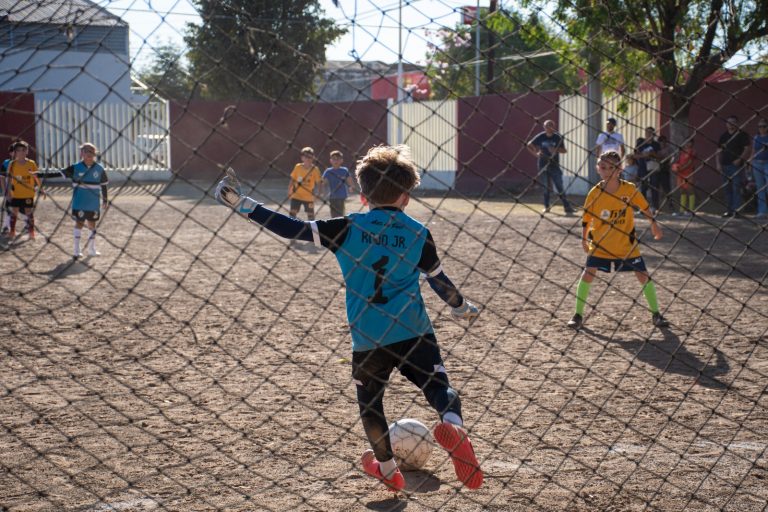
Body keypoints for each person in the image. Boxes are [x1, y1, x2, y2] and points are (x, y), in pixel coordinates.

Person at [214, 145, 484, 491]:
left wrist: (242, 204)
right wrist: (461, 307)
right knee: (438, 385)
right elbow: (438, 281)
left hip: (368, 335)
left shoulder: (346, 227)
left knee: (371, 402)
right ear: (406, 196)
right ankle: (453, 425)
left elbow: (291, 227)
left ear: (362, 192)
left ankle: (386, 468)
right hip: (413, 329)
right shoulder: (418, 231)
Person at [567, 151, 669, 330]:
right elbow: (587, 219)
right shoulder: (594, 193)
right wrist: (584, 240)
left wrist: (654, 224)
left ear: (620, 169)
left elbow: (644, 206)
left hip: (626, 246)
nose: (607, 171)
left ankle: (656, 314)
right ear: (598, 168)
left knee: (642, 275)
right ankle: (578, 315)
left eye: (611, 167)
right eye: (603, 167)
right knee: (588, 273)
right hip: (601, 245)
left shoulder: (629, 189)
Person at [36, 143, 109, 258]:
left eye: (91, 151)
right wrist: (39, 174)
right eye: (86, 151)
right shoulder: (75, 167)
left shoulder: (99, 169)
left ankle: (91, 249)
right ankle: (76, 250)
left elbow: (104, 185)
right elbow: (57, 174)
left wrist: (105, 199)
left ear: (95, 154)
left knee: (92, 225)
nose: (89, 154)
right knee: (79, 224)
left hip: (93, 203)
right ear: (82, 153)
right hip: (79, 202)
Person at [527, 120, 574, 214]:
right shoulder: (541, 136)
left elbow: (564, 150)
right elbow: (529, 144)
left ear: (553, 126)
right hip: (543, 164)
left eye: (550, 126)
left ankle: (567, 207)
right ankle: (546, 206)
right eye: (546, 126)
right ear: (544, 127)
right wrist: (536, 153)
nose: (548, 127)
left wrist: (555, 149)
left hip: (554, 165)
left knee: (559, 185)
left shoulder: (557, 137)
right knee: (545, 186)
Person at [5, 140, 41, 239]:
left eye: (23, 150)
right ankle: (12, 231)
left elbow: (36, 177)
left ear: (27, 151)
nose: (21, 152)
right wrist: (8, 192)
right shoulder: (12, 164)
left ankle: (31, 232)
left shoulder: (31, 163)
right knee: (14, 211)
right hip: (16, 194)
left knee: (28, 211)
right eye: (18, 150)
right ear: (15, 152)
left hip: (28, 193)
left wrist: (40, 188)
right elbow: (9, 179)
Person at [717, 115, 751, 217]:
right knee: (727, 189)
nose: (731, 124)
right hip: (724, 166)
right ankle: (729, 210)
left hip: (736, 166)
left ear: (737, 123)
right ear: (726, 124)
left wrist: (740, 159)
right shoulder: (723, 136)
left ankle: (737, 211)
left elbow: (747, 149)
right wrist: (718, 164)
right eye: (729, 122)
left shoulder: (742, 135)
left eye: (733, 122)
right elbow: (718, 151)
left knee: (736, 188)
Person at [288, 147, 322, 221]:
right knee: (292, 213)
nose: (308, 159)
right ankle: (291, 228)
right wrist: (289, 190)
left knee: (311, 216)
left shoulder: (315, 169)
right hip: (296, 195)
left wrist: (319, 193)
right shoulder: (298, 167)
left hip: (309, 196)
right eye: (306, 156)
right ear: (302, 158)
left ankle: (311, 230)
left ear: (313, 158)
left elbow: (319, 182)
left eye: (310, 157)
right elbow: (292, 179)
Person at [634, 127, 661, 213]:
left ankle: (655, 207)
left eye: (651, 133)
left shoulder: (656, 144)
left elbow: (659, 156)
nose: (649, 134)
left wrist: (653, 154)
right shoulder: (641, 143)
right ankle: (643, 207)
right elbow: (635, 155)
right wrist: (645, 155)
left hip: (653, 167)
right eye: (647, 132)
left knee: (654, 186)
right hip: (642, 167)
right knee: (643, 187)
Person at [322, 150, 355, 218]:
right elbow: (323, 183)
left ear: (341, 160)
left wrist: (351, 187)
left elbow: (350, 180)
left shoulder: (344, 170)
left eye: (338, 159)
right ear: (330, 160)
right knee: (333, 214)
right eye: (334, 159)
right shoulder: (328, 171)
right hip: (332, 196)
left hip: (341, 195)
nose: (336, 161)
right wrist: (323, 192)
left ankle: (341, 225)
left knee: (340, 213)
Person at [671, 139, 697, 216]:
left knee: (690, 190)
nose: (687, 143)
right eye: (686, 141)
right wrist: (675, 167)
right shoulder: (682, 152)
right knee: (682, 190)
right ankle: (682, 210)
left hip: (688, 173)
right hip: (680, 174)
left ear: (692, 143)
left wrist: (682, 168)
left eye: (689, 142)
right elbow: (678, 161)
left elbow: (690, 162)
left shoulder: (692, 151)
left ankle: (691, 210)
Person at [750, 119, 768, 219]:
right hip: (757, 163)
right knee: (760, 188)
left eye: (764, 126)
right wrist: (750, 162)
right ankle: (762, 211)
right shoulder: (756, 137)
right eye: (760, 126)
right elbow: (753, 150)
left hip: (767, 163)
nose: (761, 128)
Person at [655, 135, 674, 211]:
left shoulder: (669, 148)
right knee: (656, 188)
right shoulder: (656, 148)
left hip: (665, 169)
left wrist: (669, 162)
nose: (662, 143)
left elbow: (672, 157)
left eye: (664, 141)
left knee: (667, 189)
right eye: (660, 141)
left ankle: (670, 205)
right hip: (656, 169)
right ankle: (658, 206)